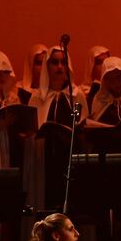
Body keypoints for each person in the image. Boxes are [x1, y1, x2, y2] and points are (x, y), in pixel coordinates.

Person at [29, 46, 88, 208]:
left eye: (63, 62)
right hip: (45, 162)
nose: (59, 67)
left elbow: (85, 128)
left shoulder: (77, 95)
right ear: (47, 67)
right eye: (54, 62)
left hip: (70, 161)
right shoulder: (37, 97)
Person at [89, 56, 121, 125]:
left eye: (119, 77)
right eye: (110, 79)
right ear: (104, 80)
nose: (116, 83)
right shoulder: (99, 100)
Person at [80, 45, 110, 110]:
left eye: (106, 62)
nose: (104, 66)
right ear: (91, 65)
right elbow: (75, 118)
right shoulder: (79, 94)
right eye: (99, 63)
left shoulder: (114, 94)